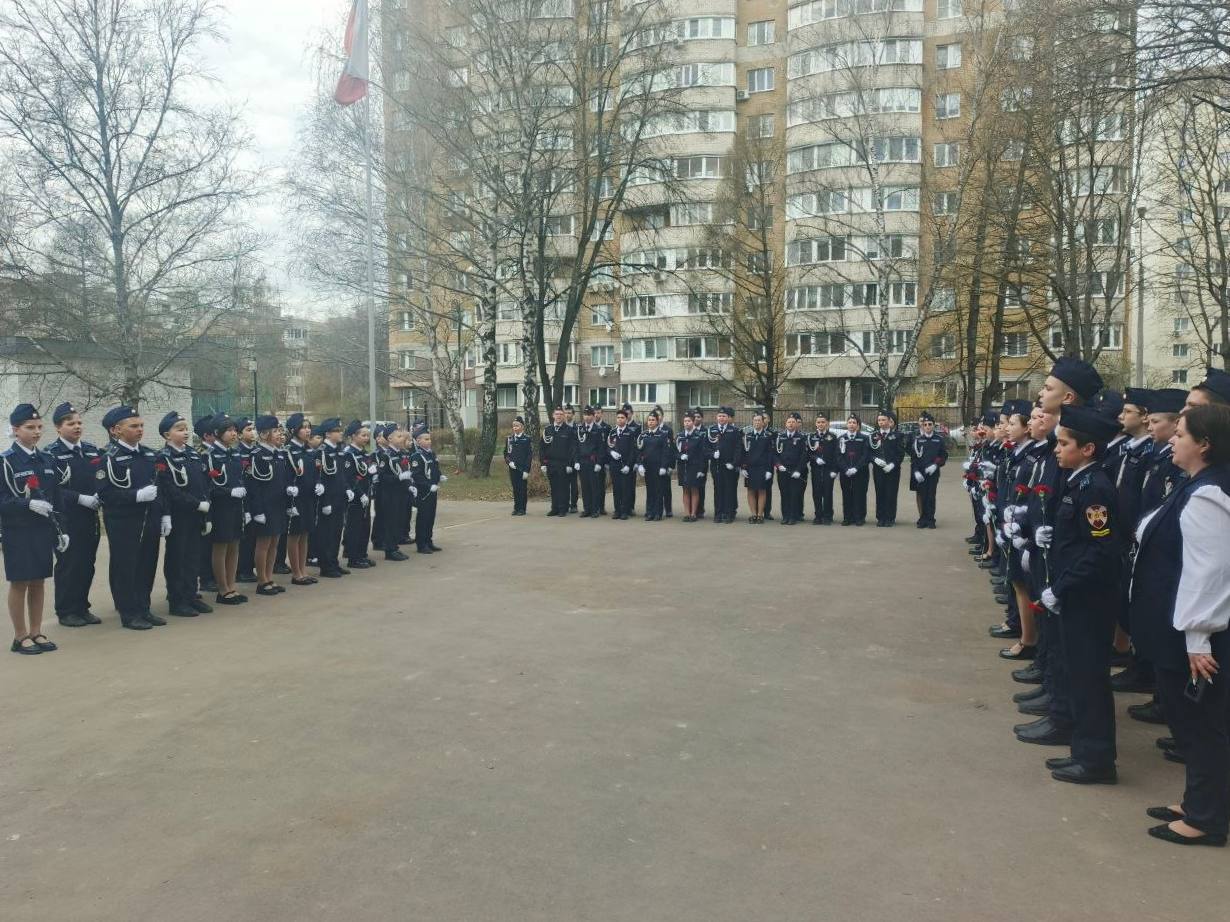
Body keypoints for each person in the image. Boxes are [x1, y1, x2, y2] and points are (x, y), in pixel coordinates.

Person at [1130, 403, 1230, 846]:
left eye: (1182, 433)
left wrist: (1198, 637)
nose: (1172, 438)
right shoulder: (1196, 484)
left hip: (1193, 639)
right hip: (1181, 633)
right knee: (1189, 722)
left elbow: (1208, 571)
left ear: (1204, 444)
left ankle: (1207, 819)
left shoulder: (1207, 494)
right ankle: (1199, 801)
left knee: (1199, 725)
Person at [1035, 404, 1123, 785]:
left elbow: (1100, 552)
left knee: (1090, 680)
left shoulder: (1096, 488)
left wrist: (1061, 587)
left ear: (1087, 449)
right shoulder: (1079, 482)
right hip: (1077, 597)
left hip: (1088, 601)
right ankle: (1083, 750)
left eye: (1065, 443)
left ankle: (1096, 761)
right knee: (1078, 675)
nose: (1057, 449)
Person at [2, 404, 66, 654]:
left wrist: (63, 529)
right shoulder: (6, 462)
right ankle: (20, 636)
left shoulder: (46, 459)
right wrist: (27, 503)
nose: (37, 432)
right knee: (20, 582)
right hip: (17, 530)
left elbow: (56, 497)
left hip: (42, 529)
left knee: (39, 581)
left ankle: (36, 631)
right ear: (16, 430)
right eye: (30, 428)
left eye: (39, 427)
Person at [97, 405, 167, 629]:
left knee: (147, 563)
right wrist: (136, 495)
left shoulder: (148, 454)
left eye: (141, 426)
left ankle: (144, 608)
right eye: (133, 426)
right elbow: (105, 494)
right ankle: (129, 613)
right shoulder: (107, 457)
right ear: (116, 430)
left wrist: (164, 515)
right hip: (123, 521)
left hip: (149, 519)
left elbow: (160, 487)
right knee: (126, 566)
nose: (140, 430)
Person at [46, 402, 103, 627]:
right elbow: (52, 488)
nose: (77, 427)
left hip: (90, 516)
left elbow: (100, 477)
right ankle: (66, 610)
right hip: (67, 517)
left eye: (79, 422)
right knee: (69, 564)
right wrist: (80, 498)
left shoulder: (90, 450)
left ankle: (82, 606)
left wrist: (100, 494)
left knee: (87, 563)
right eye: (71, 423)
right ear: (58, 428)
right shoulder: (51, 454)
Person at [156, 412, 213, 617]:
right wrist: (197, 504)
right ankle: (177, 600)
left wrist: (206, 511)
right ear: (167, 434)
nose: (185, 432)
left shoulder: (193, 454)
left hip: (197, 514)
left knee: (193, 557)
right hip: (179, 515)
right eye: (179, 429)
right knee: (177, 558)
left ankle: (191, 595)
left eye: (186, 428)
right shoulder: (163, 458)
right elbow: (169, 489)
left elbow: (204, 483)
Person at [245, 415, 292, 595]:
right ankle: (262, 580)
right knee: (263, 544)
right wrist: (257, 510)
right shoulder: (257, 455)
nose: (279, 433)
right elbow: (254, 486)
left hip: (278, 504)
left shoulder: (278, 453)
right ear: (264, 434)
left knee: (275, 543)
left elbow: (282, 481)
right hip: (264, 507)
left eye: (279, 430)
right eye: (275, 431)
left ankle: (269, 577)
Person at [206, 416, 248, 606]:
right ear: (217, 433)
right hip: (220, 508)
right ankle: (222, 589)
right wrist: (230, 492)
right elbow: (208, 487)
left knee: (235, 546)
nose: (233, 433)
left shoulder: (235, 454)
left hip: (235, 507)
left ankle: (231, 586)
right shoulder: (209, 456)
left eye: (234, 430)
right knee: (221, 547)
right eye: (229, 430)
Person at [315, 418, 355, 578]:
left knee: (337, 532)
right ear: (328, 433)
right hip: (328, 499)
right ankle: (326, 566)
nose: (340, 433)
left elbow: (341, 476)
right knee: (327, 533)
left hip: (339, 497)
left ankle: (334, 562)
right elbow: (320, 479)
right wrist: (325, 502)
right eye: (337, 431)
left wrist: (347, 489)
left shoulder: (339, 450)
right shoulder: (322, 452)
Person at [284, 413, 320, 586]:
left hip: (308, 496)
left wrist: (318, 485)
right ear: (294, 430)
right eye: (303, 427)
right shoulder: (289, 450)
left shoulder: (308, 450)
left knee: (305, 534)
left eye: (308, 427)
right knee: (295, 535)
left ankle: (303, 570)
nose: (307, 430)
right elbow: (288, 476)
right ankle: (296, 572)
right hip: (295, 498)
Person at [1140, 389, 1188, 515]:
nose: (1149, 427)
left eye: (1155, 421)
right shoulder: (1161, 453)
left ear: (1176, 423)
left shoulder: (1180, 458)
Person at [342, 421, 377, 570]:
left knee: (365, 525)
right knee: (354, 527)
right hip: (355, 497)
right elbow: (349, 478)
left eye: (367, 436)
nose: (366, 438)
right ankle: (353, 557)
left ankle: (362, 554)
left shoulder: (363, 453)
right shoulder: (349, 454)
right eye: (363, 435)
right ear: (352, 436)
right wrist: (360, 493)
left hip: (366, 495)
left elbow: (366, 473)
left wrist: (373, 475)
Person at [194, 415, 221, 594]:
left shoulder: (217, 451)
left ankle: (215, 575)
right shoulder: (202, 454)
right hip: (208, 502)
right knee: (205, 543)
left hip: (220, 502)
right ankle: (206, 578)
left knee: (217, 541)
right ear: (207, 436)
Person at [378, 426, 415, 555]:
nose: (402, 439)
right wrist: (397, 477)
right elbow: (382, 476)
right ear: (389, 438)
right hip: (390, 494)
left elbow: (406, 471)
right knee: (391, 522)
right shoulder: (386, 456)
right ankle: (390, 550)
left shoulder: (401, 454)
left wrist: (409, 485)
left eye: (402, 436)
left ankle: (395, 547)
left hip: (401, 492)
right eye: (399, 436)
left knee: (398, 521)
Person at [910, 411, 948, 530]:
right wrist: (916, 471)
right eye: (925, 424)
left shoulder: (939, 440)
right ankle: (923, 518)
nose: (927, 427)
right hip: (921, 474)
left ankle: (931, 519)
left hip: (933, 473)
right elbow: (914, 458)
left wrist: (935, 466)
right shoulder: (918, 440)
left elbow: (943, 456)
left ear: (933, 425)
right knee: (922, 495)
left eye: (929, 424)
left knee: (931, 496)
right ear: (922, 426)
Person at [409, 428, 444, 553]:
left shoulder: (431, 453)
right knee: (423, 518)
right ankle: (421, 543)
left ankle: (429, 541)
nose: (429, 441)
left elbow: (435, 468)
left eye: (429, 439)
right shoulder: (416, 456)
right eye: (426, 439)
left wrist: (440, 476)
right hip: (423, 492)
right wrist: (428, 486)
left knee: (430, 517)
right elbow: (416, 476)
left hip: (432, 491)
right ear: (418, 441)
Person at [635, 409, 673, 521]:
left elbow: (666, 453)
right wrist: (640, 465)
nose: (650, 422)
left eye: (653, 420)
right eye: (649, 420)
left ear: (657, 421)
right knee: (650, 490)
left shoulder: (662, 435)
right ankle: (649, 512)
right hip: (648, 468)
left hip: (658, 467)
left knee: (658, 490)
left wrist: (663, 466)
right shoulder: (644, 435)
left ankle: (658, 513)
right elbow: (639, 451)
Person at [540, 407, 578, 517]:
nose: (559, 416)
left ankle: (563, 508)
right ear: (553, 416)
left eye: (561, 414)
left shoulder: (569, 430)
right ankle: (554, 508)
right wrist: (543, 463)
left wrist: (570, 464)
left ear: (564, 416)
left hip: (564, 464)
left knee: (563, 487)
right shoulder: (548, 430)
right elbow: (542, 447)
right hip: (551, 463)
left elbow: (573, 449)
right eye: (557, 414)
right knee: (554, 487)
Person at [709, 406, 743, 523]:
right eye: (719, 416)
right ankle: (718, 513)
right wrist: (712, 454)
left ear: (728, 418)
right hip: (716, 466)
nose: (721, 418)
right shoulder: (711, 430)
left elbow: (738, 449)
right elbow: (705, 448)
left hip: (729, 466)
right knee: (718, 490)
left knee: (730, 490)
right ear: (716, 417)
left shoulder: (734, 431)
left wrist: (734, 464)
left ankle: (729, 514)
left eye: (724, 416)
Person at [870, 410, 905, 526]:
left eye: (883, 419)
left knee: (891, 493)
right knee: (880, 493)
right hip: (878, 470)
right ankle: (880, 517)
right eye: (879, 420)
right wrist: (874, 459)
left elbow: (900, 453)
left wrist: (893, 464)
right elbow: (868, 452)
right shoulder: (873, 436)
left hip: (893, 470)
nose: (881, 422)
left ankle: (890, 518)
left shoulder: (897, 436)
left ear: (889, 421)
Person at [235, 418, 259, 584]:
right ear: (240, 434)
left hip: (256, 498)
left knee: (254, 537)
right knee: (245, 538)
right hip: (244, 499)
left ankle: (249, 568)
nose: (253, 432)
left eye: (253, 429)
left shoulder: (256, 451)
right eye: (248, 429)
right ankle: (242, 570)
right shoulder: (238, 452)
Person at [774, 412, 808, 525]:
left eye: (793, 422)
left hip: (795, 471)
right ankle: (785, 516)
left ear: (796, 424)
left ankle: (793, 516)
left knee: (794, 494)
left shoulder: (801, 438)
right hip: (783, 471)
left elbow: (804, 456)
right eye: (789, 422)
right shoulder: (780, 437)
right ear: (785, 424)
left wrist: (798, 470)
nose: (791, 424)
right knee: (784, 494)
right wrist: (779, 465)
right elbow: (774, 454)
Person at [741, 411, 774, 523]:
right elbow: (744, 453)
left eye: (759, 420)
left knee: (761, 491)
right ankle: (753, 514)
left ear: (763, 422)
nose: (757, 422)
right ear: (752, 422)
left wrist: (769, 470)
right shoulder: (747, 436)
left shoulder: (768, 436)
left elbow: (770, 454)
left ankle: (760, 515)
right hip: (750, 468)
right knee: (750, 490)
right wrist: (743, 467)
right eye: (755, 420)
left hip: (762, 468)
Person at [838, 415, 871, 526]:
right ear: (847, 425)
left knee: (859, 494)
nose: (851, 424)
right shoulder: (842, 439)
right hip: (845, 472)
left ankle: (859, 517)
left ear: (858, 425)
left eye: (854, 422)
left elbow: (866, 456)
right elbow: (838, 456)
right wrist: (845, 468)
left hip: (860, 472)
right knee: (846, 494)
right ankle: (847, 517)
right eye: (850, 422)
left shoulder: (864, 438)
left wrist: (856, 468)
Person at [675, 411, 707, 521]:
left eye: (689, 421)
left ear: (693, 422)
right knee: (685, 490)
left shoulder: (699, 436)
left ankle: (693, 514)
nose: (687, 423)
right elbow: (674, 452)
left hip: (694, 467)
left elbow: (702, 454)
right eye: (685, 421)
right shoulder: (679, 436)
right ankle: (686, 513)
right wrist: (680, 456)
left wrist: (701, 469)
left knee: (694, 490)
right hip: (683, 467)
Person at [808, 414, 838, 525]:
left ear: (827, 423)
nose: (821, 424)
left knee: (827, 493)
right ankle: (818, 516)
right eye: (819, 422)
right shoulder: (811, 437)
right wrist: (815, 458)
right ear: (816, 424)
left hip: (828, 469)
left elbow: (836, 454)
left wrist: (835, 470)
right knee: (816, 493)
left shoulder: (833, 437)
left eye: (823, 422)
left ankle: (828, 516)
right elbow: (808, 453)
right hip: (816, 469)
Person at [607, 409, 637, 519]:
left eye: (622, 418)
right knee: (616, 489)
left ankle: (625, 511)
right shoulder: (612, 432)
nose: (620, 420)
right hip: (615, 465)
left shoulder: (630, 432)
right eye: (618, 418)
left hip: (625, 465)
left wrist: (629, 465)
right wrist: (611, 452)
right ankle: (617, 510)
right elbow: (608, 446)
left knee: (625, 489)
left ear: (626, 419)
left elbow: (633, 451)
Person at [577, 406, 606, 517]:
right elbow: (576, 446)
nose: (587, 417)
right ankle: (587, 509)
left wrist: (599, 463)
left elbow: (601, 448)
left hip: (593, 462)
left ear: (593, 416)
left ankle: (595, 509)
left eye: (589, 415)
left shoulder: (598, 429)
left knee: (594, 487)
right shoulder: (580, 428)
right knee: (585, 487)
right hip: (582, 462)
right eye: (585, 415)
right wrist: (576, 461)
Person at [504, 416, 532, 516]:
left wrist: (526, 470)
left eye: (517, 426)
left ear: (522, 427)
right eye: (514, 426)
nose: (515, 428)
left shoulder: (527, 439)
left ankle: (522, 509)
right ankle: (516, 508)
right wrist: (509, 462)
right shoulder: (509, 439)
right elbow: (506, 454)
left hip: (522, 468)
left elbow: (529, 456)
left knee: (522, 489)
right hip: (513, 468)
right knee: (515, 488)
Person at [592, 406, 611, 515]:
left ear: (602, 414)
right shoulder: (589, 427)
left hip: (603, 461)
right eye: (595, 413)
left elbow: (608, 445)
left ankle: (601, 507)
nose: (596, 415)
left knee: (601, 485)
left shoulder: (607, 427)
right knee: (592, 485)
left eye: (598, 412)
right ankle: (593, 507)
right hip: (591, 460)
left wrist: (607, 462)